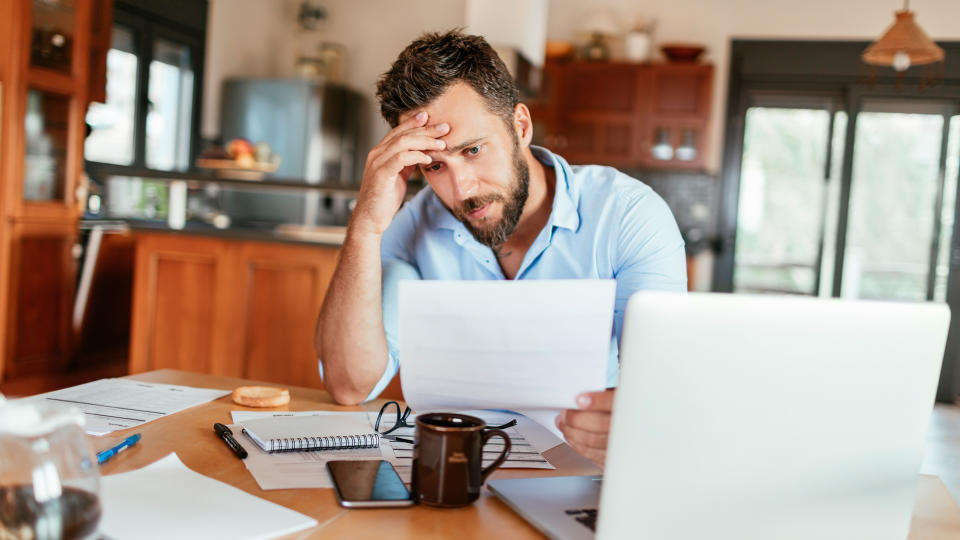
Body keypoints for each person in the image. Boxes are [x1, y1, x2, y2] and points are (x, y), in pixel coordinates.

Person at [315, 31, 687, 466]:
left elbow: (662, 388)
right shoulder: (416, 222)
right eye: (434, 166)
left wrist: (637, 416)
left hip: (579, 469)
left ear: (521, 126)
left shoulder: (627, 215)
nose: (461, 189)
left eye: (472, 150)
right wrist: (366, 225)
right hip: (452, 471)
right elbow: (349, 384)